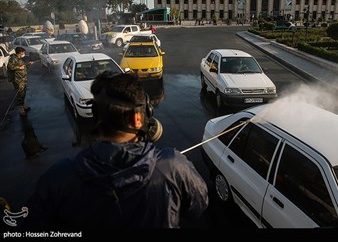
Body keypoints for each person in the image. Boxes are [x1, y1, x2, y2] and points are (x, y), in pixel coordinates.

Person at [22, 71, 208, 229]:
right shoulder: (173, 166)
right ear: (138, 119)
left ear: (96, 116)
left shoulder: (58, 177)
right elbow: (198, 207)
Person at [7, 47, 33, 116]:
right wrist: (19, 67)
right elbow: (10, 67)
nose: (24, 54)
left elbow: (22, 67)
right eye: (23, 52)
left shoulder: (19, 59)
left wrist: (28, 65)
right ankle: (21, 108)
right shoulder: (13, 58)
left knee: (23, 93)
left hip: (22, 79)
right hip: (17, 80)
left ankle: (23, 105)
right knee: (20, 93)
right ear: (20, 52)